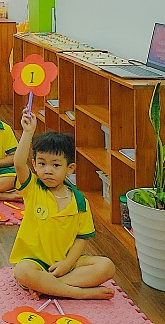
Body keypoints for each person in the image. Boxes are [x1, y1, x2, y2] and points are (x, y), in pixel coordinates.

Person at [10, 109, 116, 299]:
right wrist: (28, 132)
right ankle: (77, 293)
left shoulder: (80, 201)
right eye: (42, 164)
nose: (48, 170)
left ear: (70, 168)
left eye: (56, 165)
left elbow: (81, 238)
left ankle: (48, 286)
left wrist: (67, 264)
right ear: (34, 165)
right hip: (35, 262)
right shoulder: (33, 188)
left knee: (106, 266)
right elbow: (18, 163)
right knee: (22, 271)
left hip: (66, 264)